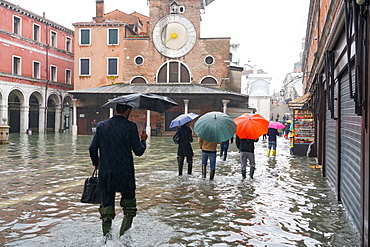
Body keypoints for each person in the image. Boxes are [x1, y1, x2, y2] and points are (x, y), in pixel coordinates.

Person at [89, 104, 148, 239]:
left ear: (116, 110)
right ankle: (123, 238)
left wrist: (97, 164)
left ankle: (107, 239)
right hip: (125, 174)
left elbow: (92, 149)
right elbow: (138, 151)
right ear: (128, 111)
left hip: (106, 173)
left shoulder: (101, 126)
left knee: (106, 207)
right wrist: (143, 140)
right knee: (129, 208)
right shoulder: (130, 127)